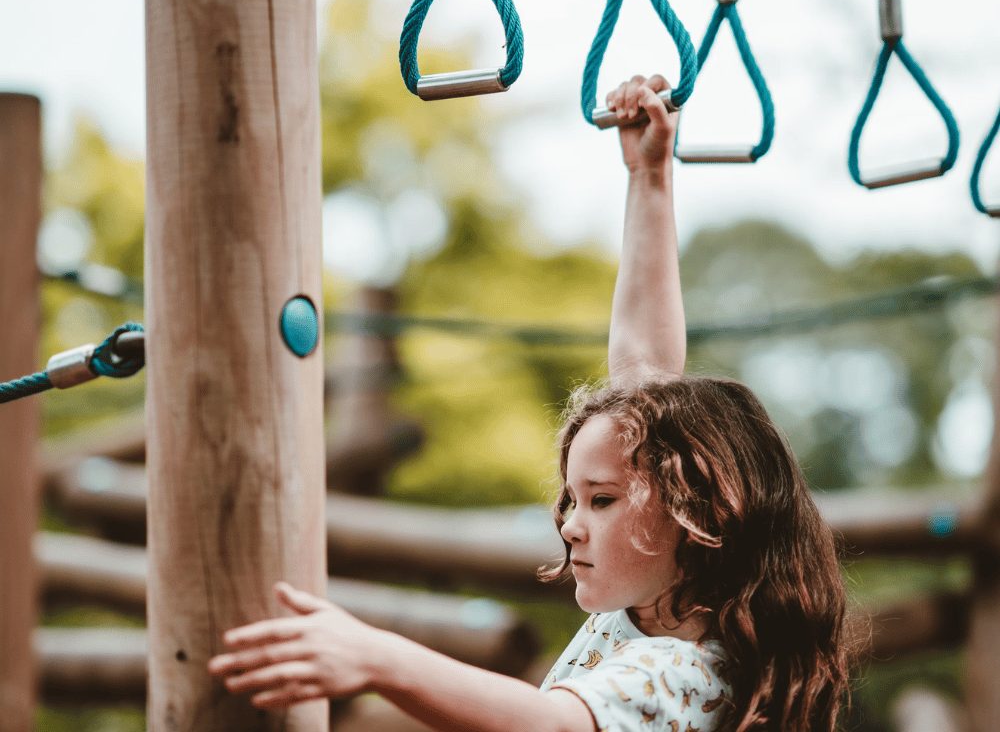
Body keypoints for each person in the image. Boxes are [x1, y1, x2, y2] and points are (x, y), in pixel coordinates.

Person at [209, 75, 855, 731]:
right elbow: (646, 365)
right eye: (575, 499)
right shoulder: (650, 607)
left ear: (695, 514)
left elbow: (547, 725)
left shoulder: (683, 673)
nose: (571, 523)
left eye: (601, 500)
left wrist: (381, 659)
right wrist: (649, 178)